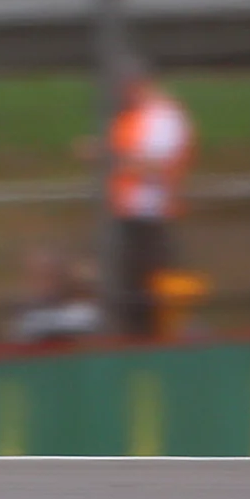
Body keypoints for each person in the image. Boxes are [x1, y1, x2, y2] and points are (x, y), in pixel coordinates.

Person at [103, 66, 193, 336]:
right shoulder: (132, 117)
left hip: (151, 215)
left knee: (150, 290)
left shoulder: (163, 117)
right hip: (127, 214)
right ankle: (134, 337)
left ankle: (154, 339)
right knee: (128, 288)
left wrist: (110, 158)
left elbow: (156, 167)